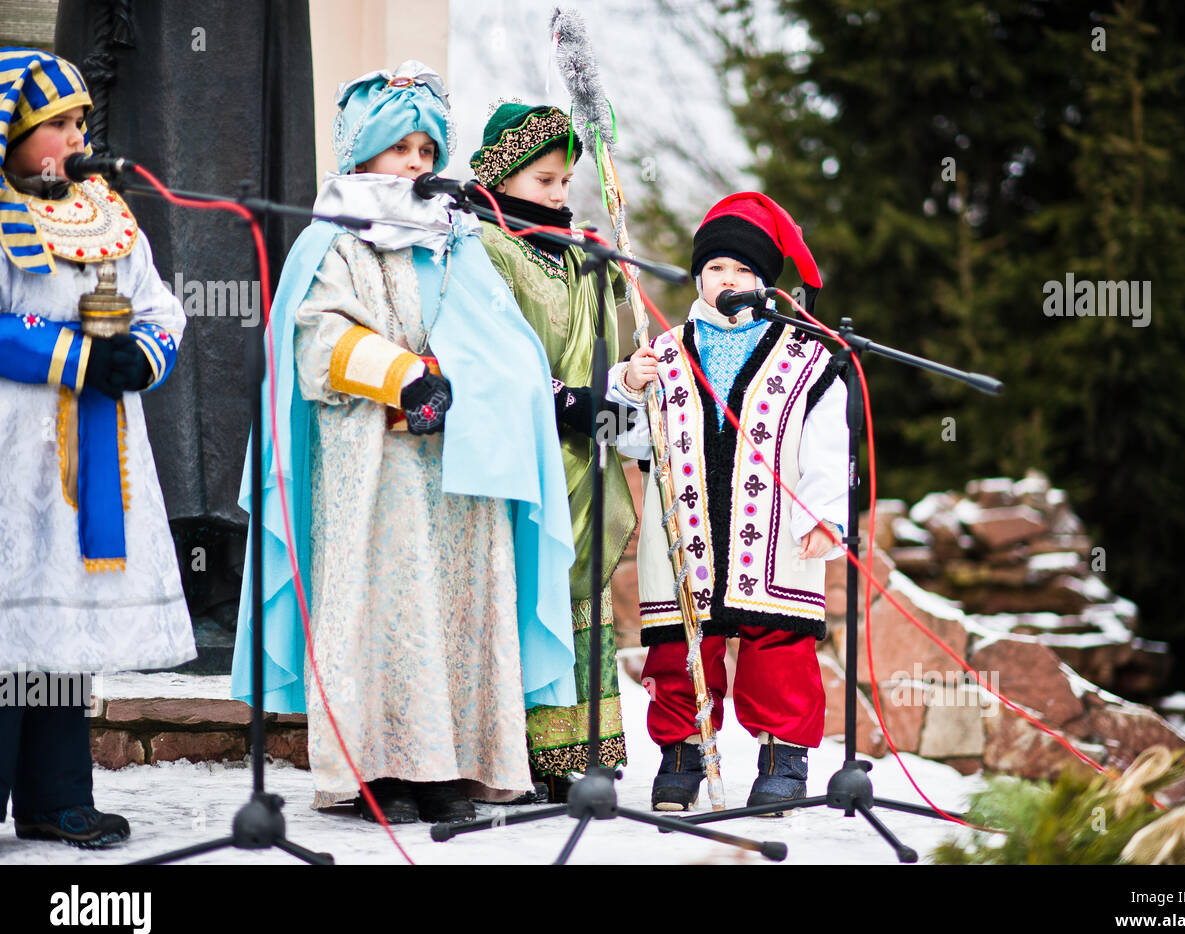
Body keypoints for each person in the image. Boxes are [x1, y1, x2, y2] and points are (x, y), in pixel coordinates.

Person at [231, 63, 577, 826]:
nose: (419, 165)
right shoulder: (334, 239)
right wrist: (403, 377)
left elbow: (506, 343)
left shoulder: (457, 239)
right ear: (363, 155)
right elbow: (317, 341)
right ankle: (377, 768)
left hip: (460, 465)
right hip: (374, 464)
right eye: (402, 150)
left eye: (428, 151)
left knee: (455, 611)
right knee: (388, 611)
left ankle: (452, 765)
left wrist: (466, 381)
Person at [0, 48, 195, 847]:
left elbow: (159, 305)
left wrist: (143, 352)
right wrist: (78, 356)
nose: (76, 137)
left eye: (82, 121)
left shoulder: (105, 211)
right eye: (57, 124)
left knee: (62, 624)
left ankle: (54, 793)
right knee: (8, 623)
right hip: (13, 451)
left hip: (94, 449)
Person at [622, 192, 848, 812]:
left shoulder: (808, 357)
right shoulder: (661, 353)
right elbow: (635, 440)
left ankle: (783, 759)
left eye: (745, 271)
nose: (729, 280)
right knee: (679, 645)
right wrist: (629, 386)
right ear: (699, 275)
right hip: (685, 530)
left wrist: (827, 513)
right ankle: (682, 751)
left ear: (766, 284)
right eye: (717, 267)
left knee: (777, 646)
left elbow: (829, 443)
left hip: (774, 531)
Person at [470, 103, 655, 801]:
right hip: (521, 453)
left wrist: (613, 282)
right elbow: (489, 351)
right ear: (502, 174)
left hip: (589, 453)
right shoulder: (482, 246)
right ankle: (511, 754)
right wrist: (566, 400)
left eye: (564, 180)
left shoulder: (583, 252)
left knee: (583, 596)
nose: (557, 194)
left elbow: (613, 339)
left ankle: (570, 754)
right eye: (544, 180)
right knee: (522, 593)